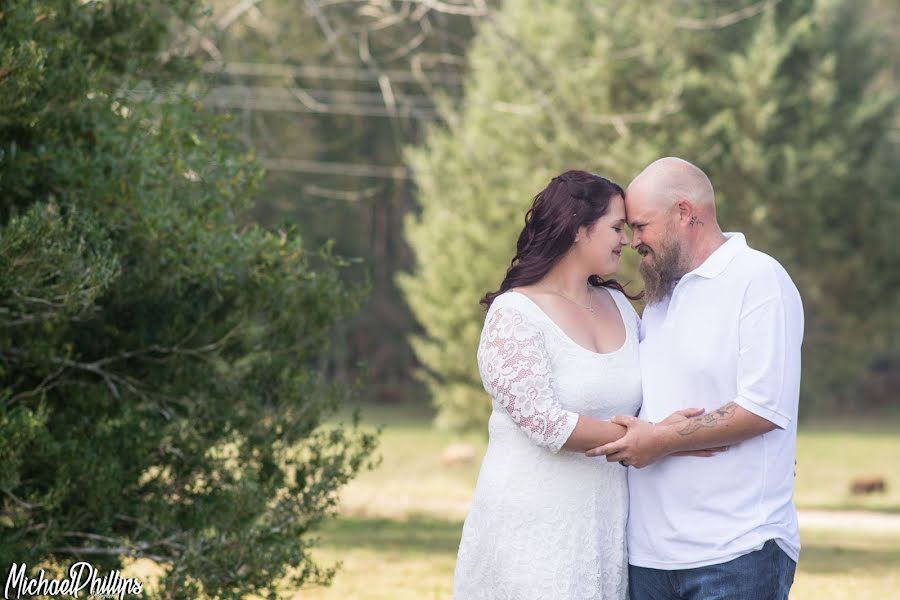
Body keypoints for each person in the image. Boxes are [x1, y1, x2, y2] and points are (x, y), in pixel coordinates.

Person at [453, 170, 716, 600]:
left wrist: (735, 436)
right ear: (579, 230)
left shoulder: (618, 305)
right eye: (616, 227)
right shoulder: (515, 313)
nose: (627, 240)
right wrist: (662, 439)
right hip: (530, 526)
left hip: (604, 525)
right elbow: (546, 425)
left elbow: (662, 380)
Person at [586, 157, 803, 600]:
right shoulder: (662, 296)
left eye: (642, 226)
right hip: (648, 556)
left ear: (685, 213)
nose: (633, 242)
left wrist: (663, 440)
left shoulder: (758, 279)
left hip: (737, 550)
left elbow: (763, 407)